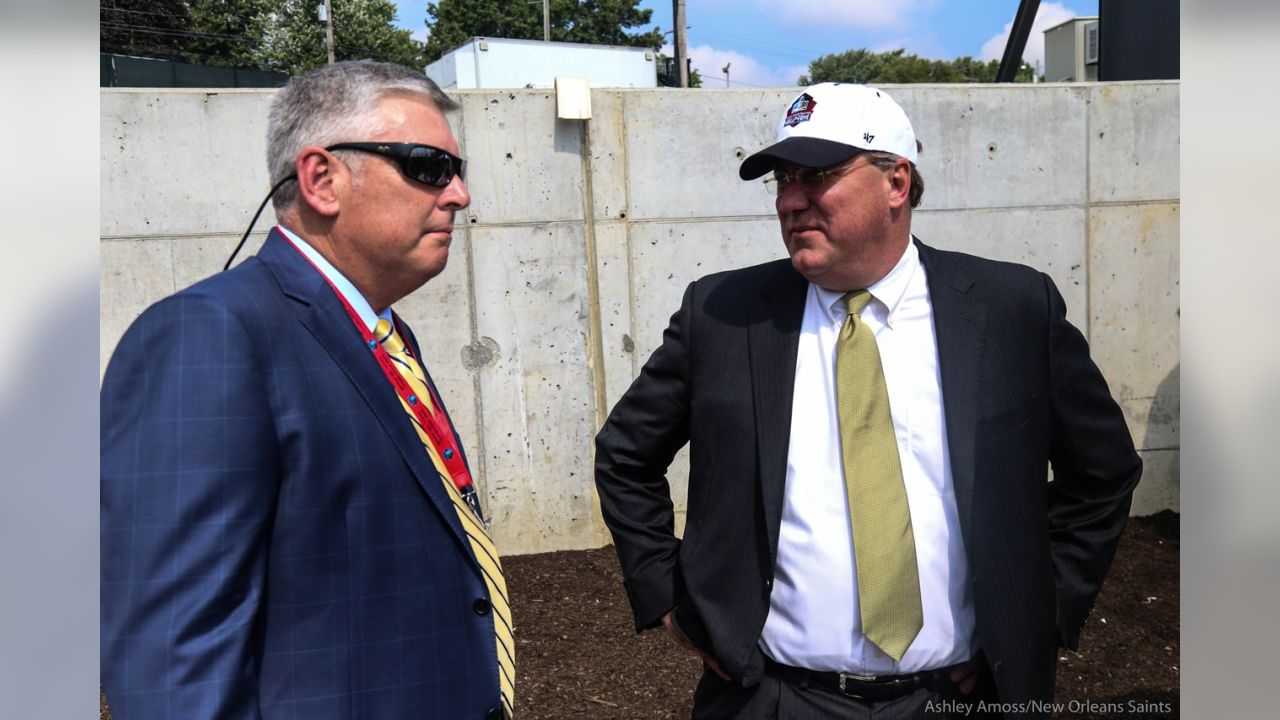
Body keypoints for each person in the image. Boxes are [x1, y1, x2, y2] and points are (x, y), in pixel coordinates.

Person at [594, 83, 1141, 719]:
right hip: (770, 698)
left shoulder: (1012, 309)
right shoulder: (722, 316)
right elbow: (625, 456)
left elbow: (1101, 473)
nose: (791, 200)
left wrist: (1035, 612)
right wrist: (663, 592)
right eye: (782, 180)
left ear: (897, 183)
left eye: (818, 175)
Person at [101, 61, 513, 720]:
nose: (459, 194)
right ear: (322, 179)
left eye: (458, 171)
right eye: (429, 167)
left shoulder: (379, 333)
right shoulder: (209, 337)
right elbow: (176, 667)